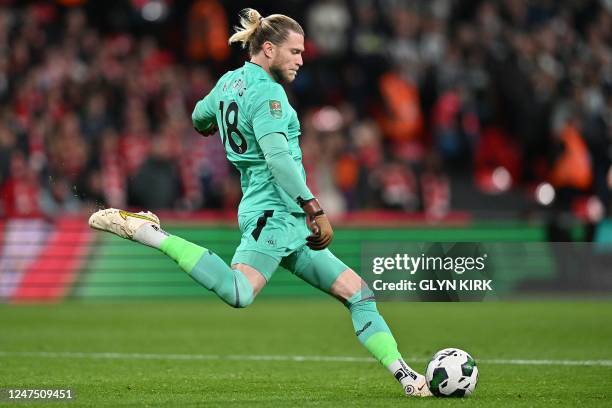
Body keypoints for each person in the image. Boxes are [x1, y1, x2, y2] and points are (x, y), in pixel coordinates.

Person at [88, 8, 432, 397]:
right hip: (275, 213)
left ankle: (407, 377)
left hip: (279, 217)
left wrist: (221, 121)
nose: (302, 60)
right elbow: (277, 158)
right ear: (268, 49)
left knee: (359, 293)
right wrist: (314, 207)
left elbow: (200, 118)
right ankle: (152, 234)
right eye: (295, 52)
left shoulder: (228, 83)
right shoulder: (270, 94)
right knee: (239, 293)